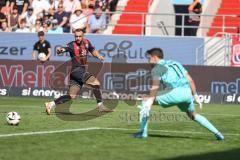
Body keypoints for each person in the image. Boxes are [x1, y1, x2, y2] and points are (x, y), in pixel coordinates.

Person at [134, 48, 224, 141]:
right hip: (187, 93)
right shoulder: (175, 63)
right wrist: (195, 96)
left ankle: (143, 133)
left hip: (174, 93)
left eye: (149, 58)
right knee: (193, 115)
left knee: (145, 100)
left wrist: (149, 102)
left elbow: (155, 87)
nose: (148, 61)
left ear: (155, 57)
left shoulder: (157, 68)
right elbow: (190, 80)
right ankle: (218, 133)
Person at [44, 28, 113, 114]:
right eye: (76, 36)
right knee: (95, 83)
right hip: (77, 71)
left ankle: (50, 104)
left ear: (83, 36)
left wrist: (98, 56)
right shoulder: (71, 45)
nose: (78, 38)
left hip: (76, 73)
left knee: (71, 96)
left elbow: (92, 50)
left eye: (80, 36)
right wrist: (59, 50)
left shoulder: (87, 42)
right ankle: (100, 106)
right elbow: (63, 49)